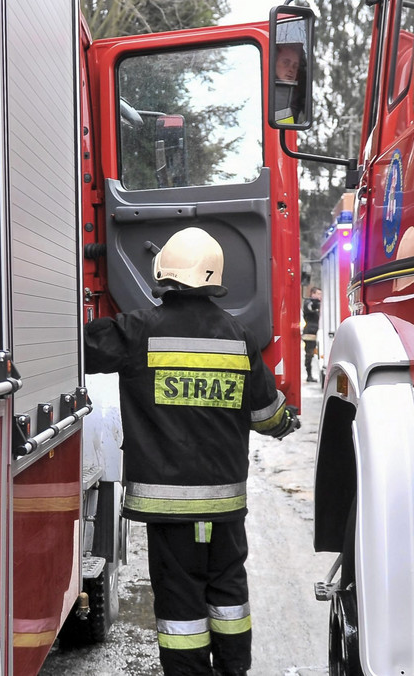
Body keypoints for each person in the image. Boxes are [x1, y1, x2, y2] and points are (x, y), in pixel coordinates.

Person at [84, 226, 300, 676]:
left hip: (169, 513)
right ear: (213, 279)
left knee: (181, 609)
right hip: (224, 510)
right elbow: (267, 417)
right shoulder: (238, 337)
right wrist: (285, 420)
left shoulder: (136, 331)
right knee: (228, 600)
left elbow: (78, 348)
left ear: (163, 274)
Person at [273, 43, 305, 124]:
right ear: (273, 63)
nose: (291, 69)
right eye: (286, 63)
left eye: (295, 66)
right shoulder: (262, 91)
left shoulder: (300, 99)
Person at [302, 287, 321, 383]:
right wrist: (316, 303)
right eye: (318, 294)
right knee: (309, 354)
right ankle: (309, 375)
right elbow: (310, 307)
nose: (319, 296)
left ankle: (310, 375)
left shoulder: (315, 303)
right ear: (312, 294)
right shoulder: (308, 302)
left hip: (314, 331)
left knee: (312, 354)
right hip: (310, 332)